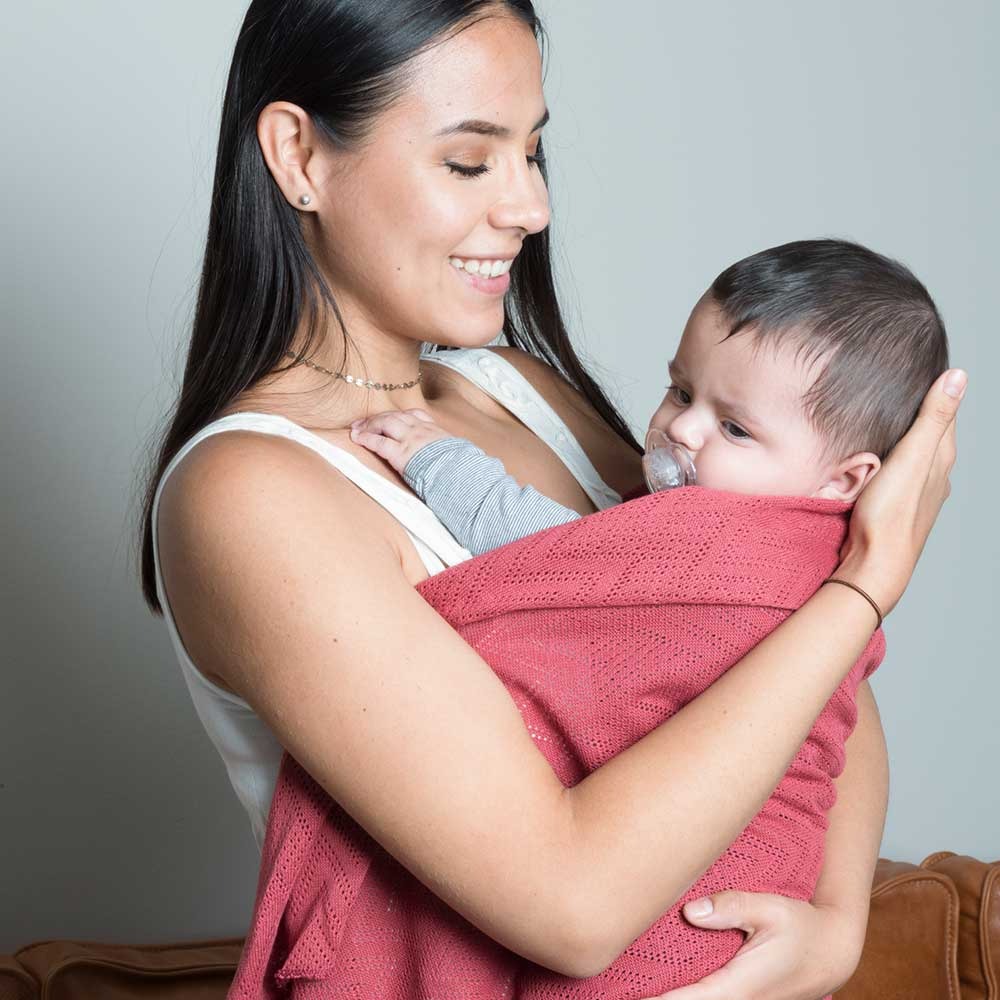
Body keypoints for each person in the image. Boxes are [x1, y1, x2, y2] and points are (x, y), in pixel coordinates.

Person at [139, 3, 964, 997]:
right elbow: (572, 906)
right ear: (299, 156)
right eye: (469, 162)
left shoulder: (524, 391)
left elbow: (797, 668)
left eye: (534, 153)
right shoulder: (250, 495)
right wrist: (863, 588)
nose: (530, 206)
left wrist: (831, 927)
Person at [352, 238, 949, 551]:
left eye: (736, 429)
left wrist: (442, 462)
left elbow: (565, 553)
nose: (683, 430)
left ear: (842, 483)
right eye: (682, 392)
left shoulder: (736, 553)